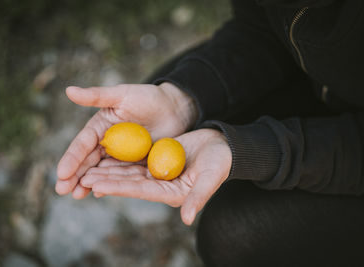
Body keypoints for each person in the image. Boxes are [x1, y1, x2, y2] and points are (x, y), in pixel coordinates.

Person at [55, 0, 364, 265]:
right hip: (323, 84)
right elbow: (261, 29)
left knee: (234, 236)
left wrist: (253, 151)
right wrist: (182, 100)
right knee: (166, 90)